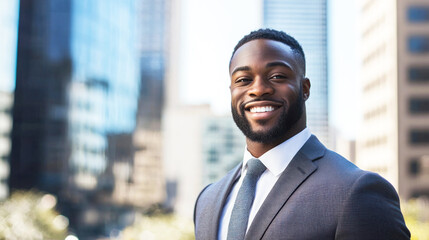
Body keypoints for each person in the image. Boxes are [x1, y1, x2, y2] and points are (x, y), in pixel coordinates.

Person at [193, 28, 410, 240]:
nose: (258, 89)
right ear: (231, 91)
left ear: (305, 88)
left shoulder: (357, 192)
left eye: (277, 76)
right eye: (243, 80)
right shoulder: (207, 200)